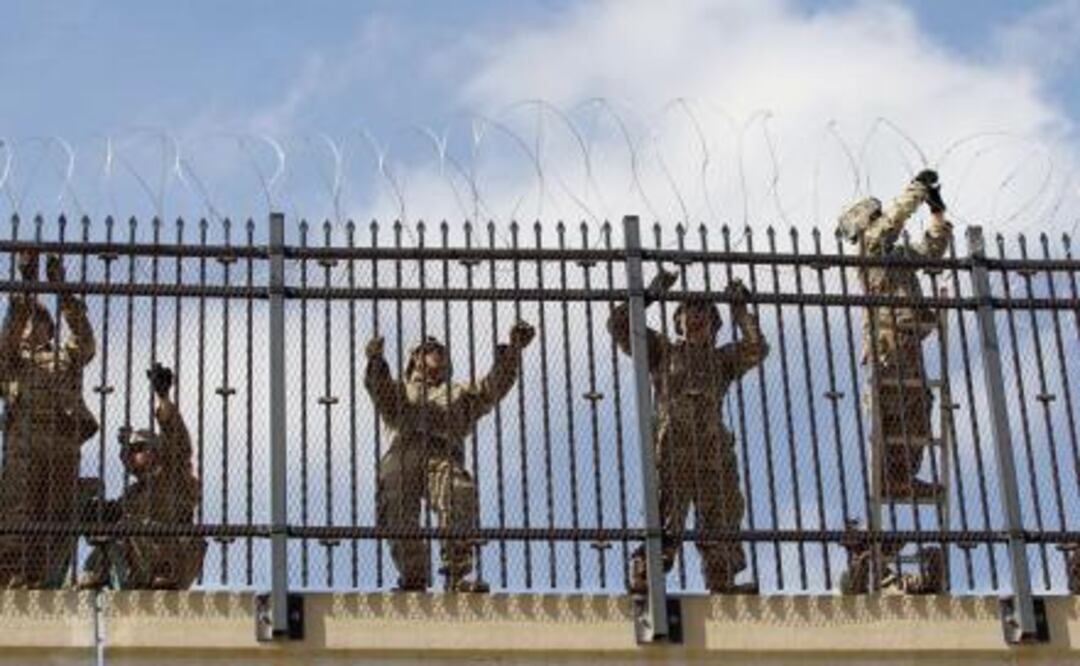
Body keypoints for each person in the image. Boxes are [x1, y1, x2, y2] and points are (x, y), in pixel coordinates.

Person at [609, 272, 768, 593]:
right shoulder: (662, 351)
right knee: (667, 509)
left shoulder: (722, 359)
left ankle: (721, 579)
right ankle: (646, 572)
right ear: (678, 322)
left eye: (704, 313)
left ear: (714, 325)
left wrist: (740, 311)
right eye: (688, 312)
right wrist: (651, 293)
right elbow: (619, 325)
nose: (696, 317)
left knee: (722, 510)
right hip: (674, 441)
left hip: (713, 444)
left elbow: (756, 348)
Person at [837, 169, 953, 594]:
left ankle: (904, 473)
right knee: (894, 411)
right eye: (877, 216)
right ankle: (893, 474)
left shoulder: (897, 255)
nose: (882, 220)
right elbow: (893, 224)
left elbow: (934, 248)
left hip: (910, 340)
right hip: (889, 345)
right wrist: (916, 192)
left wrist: (937, 210)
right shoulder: (871, 247)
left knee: (919, 406)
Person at [365, 322, 535, 592]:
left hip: (443, 452)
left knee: (458, 496)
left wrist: (513, 350)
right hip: (403, 450)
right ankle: (413, 577)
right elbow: (380, 390)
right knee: (396, 509)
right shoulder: (402, 390)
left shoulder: (459, 392)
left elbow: (493, 387)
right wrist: (376, 361)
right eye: (429, 349)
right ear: (415, 358)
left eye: (440, 350)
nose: (437, 353)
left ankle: (456, 575)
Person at [0, 252, 98, 587]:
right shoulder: (11, 359)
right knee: (17, 506)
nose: (27, 329)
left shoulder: (65, 355)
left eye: (35, 323)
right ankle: (11, 568)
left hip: (61, 440)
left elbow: (85, 339)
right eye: (25, 323)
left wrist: (62, 290)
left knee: (55, 509)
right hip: (24, 440)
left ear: (48, 329)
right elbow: (9, 330)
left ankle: (39, 574)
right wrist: (27, 284)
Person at [79, 363, 205, 589]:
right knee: (112, 526)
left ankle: (159, 574)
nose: (134, 455)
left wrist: (163, 398)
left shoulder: (173, 475)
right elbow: (112, 514)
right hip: (140, 564)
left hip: (173, 560)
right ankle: (95, 574)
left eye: (139, 448)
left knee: (132, 524)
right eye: (130, 451)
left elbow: (178, 442)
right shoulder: (134, 493)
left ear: (155, 450)